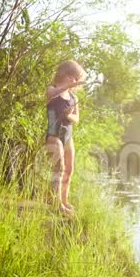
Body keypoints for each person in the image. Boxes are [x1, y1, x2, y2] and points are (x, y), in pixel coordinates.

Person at [45, 61, 85, 215]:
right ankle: (56, 204)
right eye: (76, 78)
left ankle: (64, 200)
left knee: (69, 169)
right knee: (59, 169)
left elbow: (76, 119)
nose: (77, 82)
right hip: (53, 136)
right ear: (67, 75)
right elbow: (51, 95)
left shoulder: (73, 98)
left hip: (68, 137)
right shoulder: (52, 89)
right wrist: (67, 86)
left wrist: (69, 115)